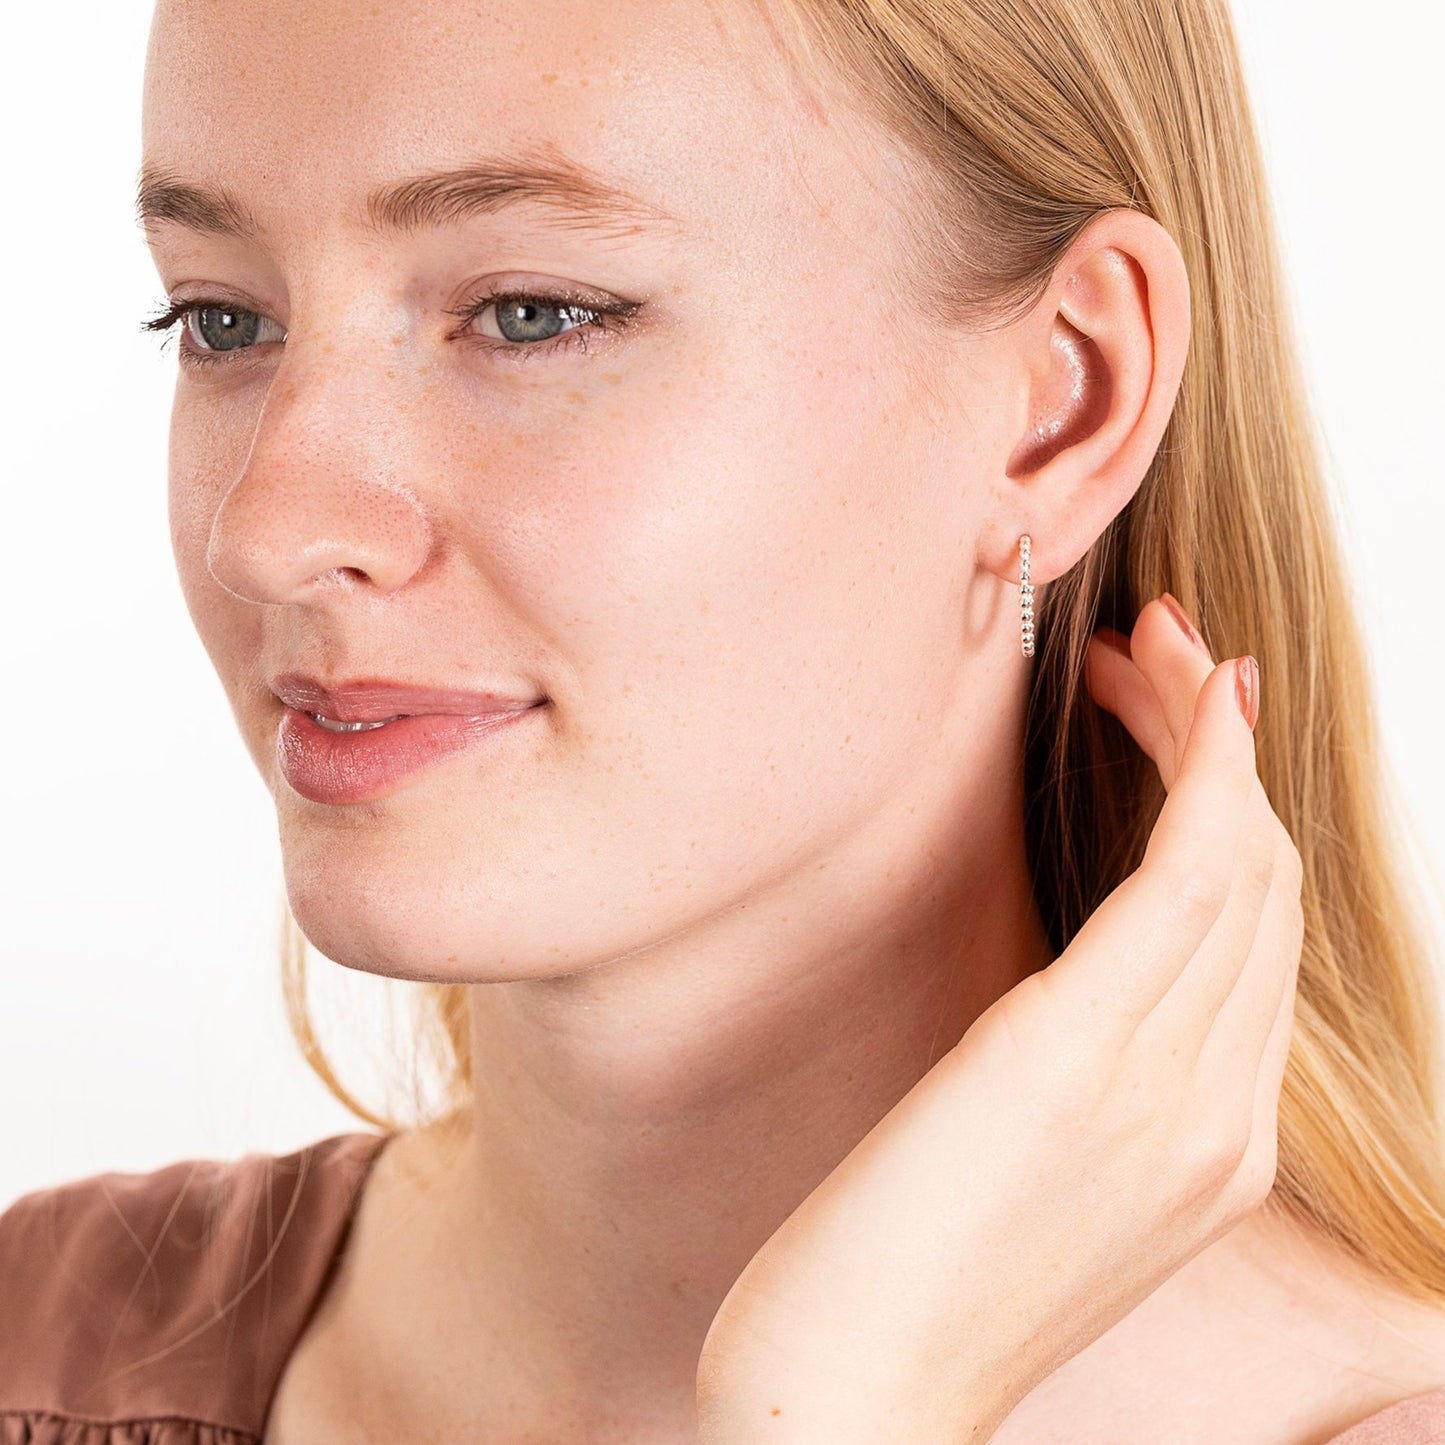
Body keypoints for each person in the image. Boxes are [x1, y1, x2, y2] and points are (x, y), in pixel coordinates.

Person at [3, 0, 1444, 1439]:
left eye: (532, 312)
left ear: (1062, 403)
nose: (269, 528)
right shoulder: (40, 1345)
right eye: (222, 318)